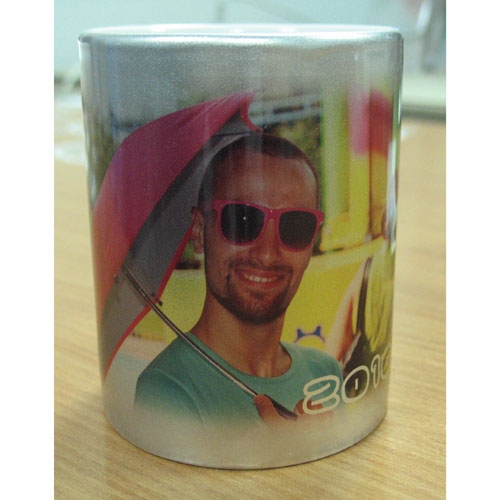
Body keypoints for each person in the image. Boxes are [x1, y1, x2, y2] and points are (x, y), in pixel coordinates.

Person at [134, 133, 345, 432]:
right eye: (242, 221)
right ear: (199, 231)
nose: (267, 254)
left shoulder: (325, 373)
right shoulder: (165, 390)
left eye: (295, 225)